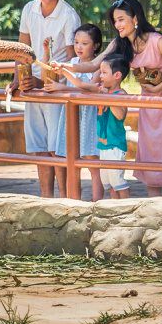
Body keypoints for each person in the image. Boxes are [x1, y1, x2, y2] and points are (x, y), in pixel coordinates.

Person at [110, 0, 162, 197]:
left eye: (121, 19)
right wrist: (68, 69)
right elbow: (96, 63)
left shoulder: (156, 40)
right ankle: (154, 205)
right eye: (115, 20)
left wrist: (158, 88)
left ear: (135, 19)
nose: (117, 25)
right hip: (149, 101)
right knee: (151, 148)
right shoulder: (121, 43)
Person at [18, 0, 80, 198]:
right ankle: (45, 198)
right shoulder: (28, 9)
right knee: (39, 147)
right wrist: (18, 79)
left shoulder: (69, 15)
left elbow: (74, 60)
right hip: (32, 87)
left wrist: (47, 82)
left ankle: (65, 199)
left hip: (57, 89)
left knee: (58, 147)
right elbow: (22, 49)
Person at [54, 24, 107, 198]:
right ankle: (73, 198)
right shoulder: (72, 63)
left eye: (84, 43)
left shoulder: (99, 66)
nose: (79, 47)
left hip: (90, 115)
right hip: (72, 115)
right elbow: (51, 75)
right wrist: (47, 52)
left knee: (92, 160)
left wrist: (62, 87)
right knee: (69, 156)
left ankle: (96, 201)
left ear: (96, 45)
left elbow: (89, 88)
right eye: (76, 42)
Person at [91, 49, 133, 199]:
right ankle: (114, 207)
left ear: (117, 75)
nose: (100, 76)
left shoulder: (120, 94)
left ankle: (126, 207)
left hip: (115, 145)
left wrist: (106, 98)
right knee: (108, 183)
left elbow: (120, 115)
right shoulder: (105, 93)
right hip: (104, 145)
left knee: (118, 181)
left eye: (104, 73)